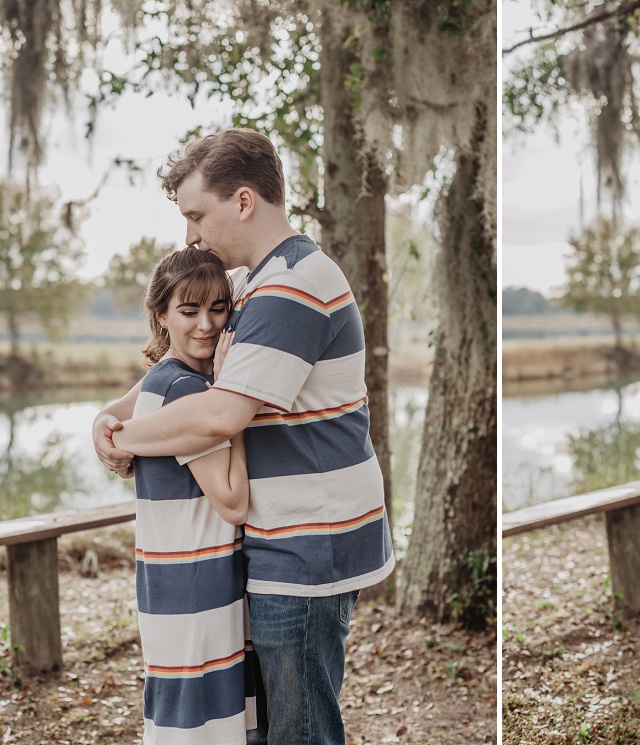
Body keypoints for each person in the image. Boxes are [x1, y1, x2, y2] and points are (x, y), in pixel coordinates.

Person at [92, 128, 395, 745]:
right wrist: (113, 411)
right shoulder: (259, 281)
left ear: (244, 201)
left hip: (309, 545)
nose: (190, 235)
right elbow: (193, 372)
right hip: (286, 537)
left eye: (197, 214)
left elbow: (219, 415)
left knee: (298, 731)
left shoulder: (291, 285)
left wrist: (127, 437)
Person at [131, 246, 255, 744]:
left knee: (190, 717)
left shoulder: (163, 380)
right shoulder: (187, 390)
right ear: (161, 316)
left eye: (217, 308)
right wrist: (233, 403)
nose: (205, 324)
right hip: (194, 587)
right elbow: (233, 502)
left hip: (177, 583)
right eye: (188, 310)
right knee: (201, 727)